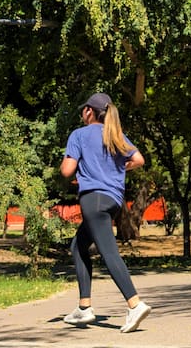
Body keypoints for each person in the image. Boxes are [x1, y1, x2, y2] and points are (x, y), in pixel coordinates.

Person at [60, 92, 151, 333]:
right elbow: (139, 159)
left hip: (93, 200)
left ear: (90, 111)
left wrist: (76, 165)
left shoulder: (78, 135)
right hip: (113, 199)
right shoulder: (115, 134)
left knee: (109, 252)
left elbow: (67, 170)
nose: (82, 113)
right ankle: (84, 307)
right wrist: (116, 170)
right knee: (78, 246)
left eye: (83, 109)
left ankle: (135, 303)